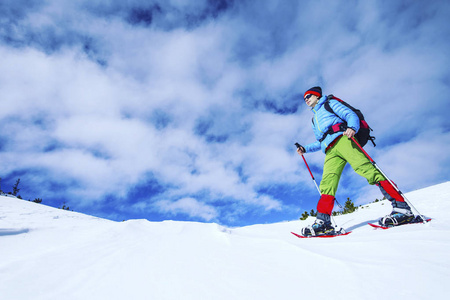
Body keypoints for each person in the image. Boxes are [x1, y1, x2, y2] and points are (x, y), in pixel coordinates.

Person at [297, 86, 413, 236]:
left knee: (366, 169)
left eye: (309, 96)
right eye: (305, 98)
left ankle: (402, 208)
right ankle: (323, 222)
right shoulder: (314, 119)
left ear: (317, 96)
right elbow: (320, 141)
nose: (306, 99)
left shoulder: (329, 104)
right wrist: (305, 149)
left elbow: (349, 114)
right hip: (330, 151)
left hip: (343, 140)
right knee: (327, 184)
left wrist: (352, 127)